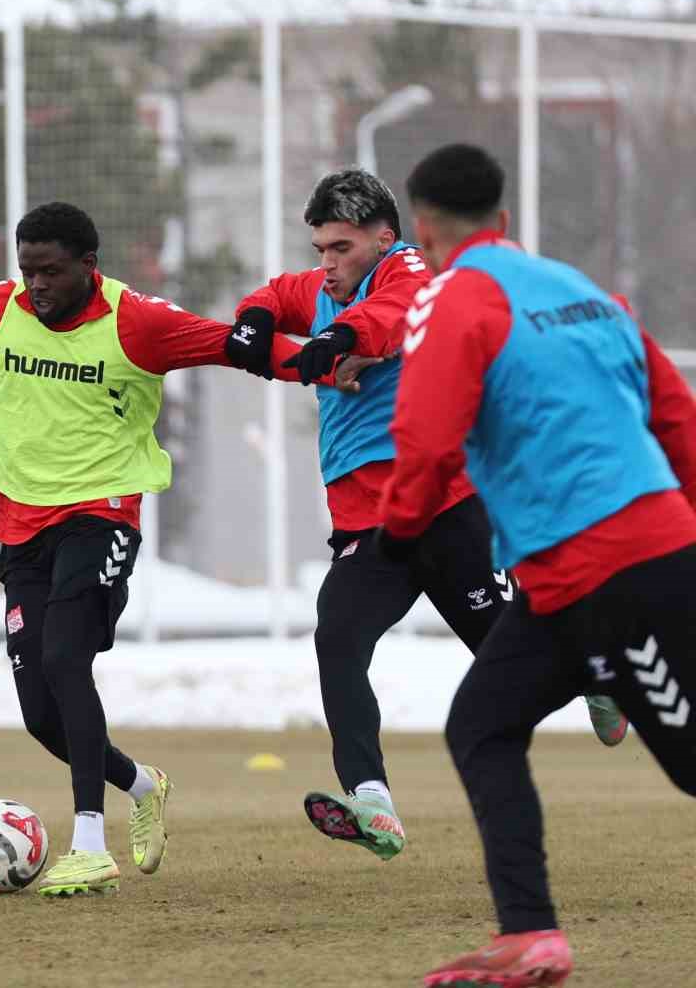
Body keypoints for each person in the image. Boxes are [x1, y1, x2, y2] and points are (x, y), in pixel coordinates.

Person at [0, 201, 317, 897]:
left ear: (89, 266)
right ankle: (142, 785)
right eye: (27, 269)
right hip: (20, 522)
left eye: (52, 271)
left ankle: (90, 844)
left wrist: (325, 363)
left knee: (66, 658)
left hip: (102, 514)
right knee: (41, 715)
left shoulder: (137, 322)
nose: (36, 284)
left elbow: (237, 348)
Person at [222, 169, 626, 864]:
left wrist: (334, 342)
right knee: (337, 638)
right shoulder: (320, 288)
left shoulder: (409, 273)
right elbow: (273, 298)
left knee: (510, 658)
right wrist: (256, 322)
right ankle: (372, 800)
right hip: (367, 526)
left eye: (342, 248)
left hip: (445, 510)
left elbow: (394, 315)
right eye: (320, 249)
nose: (328, 263)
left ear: (384, 238)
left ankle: (598, 672)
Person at [379, 143, 696, 987]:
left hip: (613, 571)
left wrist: (397, 533)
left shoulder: (450, 296)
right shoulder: (580, 288)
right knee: (481, 725)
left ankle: (531, 930)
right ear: (503, 218)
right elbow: (676, 417)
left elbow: (425, 440)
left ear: (424, 229)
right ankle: (529, 935)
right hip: (574, 578)